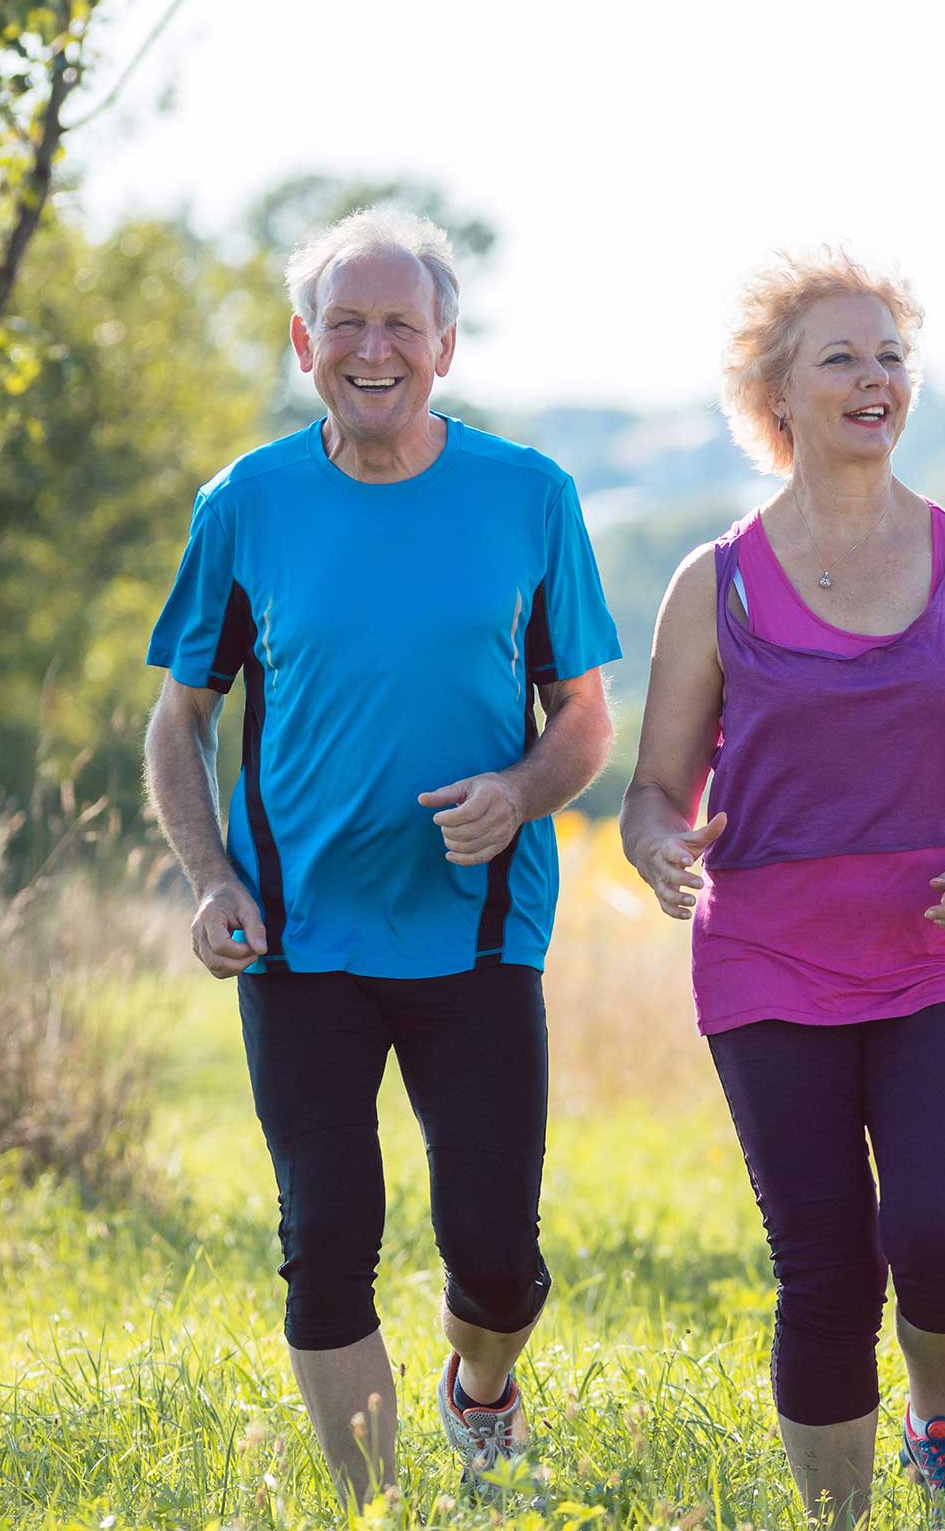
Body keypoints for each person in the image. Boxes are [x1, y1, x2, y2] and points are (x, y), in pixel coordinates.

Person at [142, 207, 621, 1507]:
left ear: (445, 345)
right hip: (298, 937)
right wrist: (213, 877)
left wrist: (522, 789)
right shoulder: (245, 505)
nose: (372, 348)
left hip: (474, 930)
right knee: (326, 1240)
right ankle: (378, 1505)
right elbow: (180, 716)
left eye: (399, 324)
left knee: (499, 1256)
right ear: (305, 342)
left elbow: (585, 711)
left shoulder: (531, 496)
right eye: (344, 323)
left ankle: (484, 1387)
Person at [621, 251, 945, 1527]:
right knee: (823, 1269)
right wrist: (658, 845)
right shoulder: (715, 582)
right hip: (767, 956)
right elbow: (652, 789)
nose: (875, 379)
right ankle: (841, 1519)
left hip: (931, 946)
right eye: (842, 358)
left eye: (890, 357)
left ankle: (941, 1419)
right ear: (778, 394)